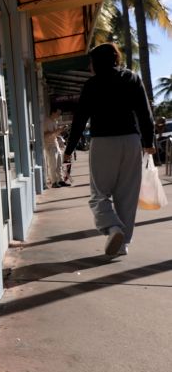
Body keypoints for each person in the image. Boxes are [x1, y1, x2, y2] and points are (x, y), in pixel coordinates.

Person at [63, 43, 155, 257]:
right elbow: (145, 112)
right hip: (131, 141)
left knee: (99, 194)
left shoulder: (92, 84)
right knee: (127, 196)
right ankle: (122, 245)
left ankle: (113, 228)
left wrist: (69, 149)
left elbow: (80, 119)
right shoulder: (132, 78)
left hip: (103, 143)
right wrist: (148, 142)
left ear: (96, 63)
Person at [43, 109, 69, 187]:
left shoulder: (54, 121)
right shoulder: (46, 121)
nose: (59, 115)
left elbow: (55, 134)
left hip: (55, 144)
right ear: (53, 113)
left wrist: (60, 130)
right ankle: (54, 182)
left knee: (59, 164)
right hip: (49, 145)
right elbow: (45, 135)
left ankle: (60, 180)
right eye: (58, 113)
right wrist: (56, 131)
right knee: (53, 164)